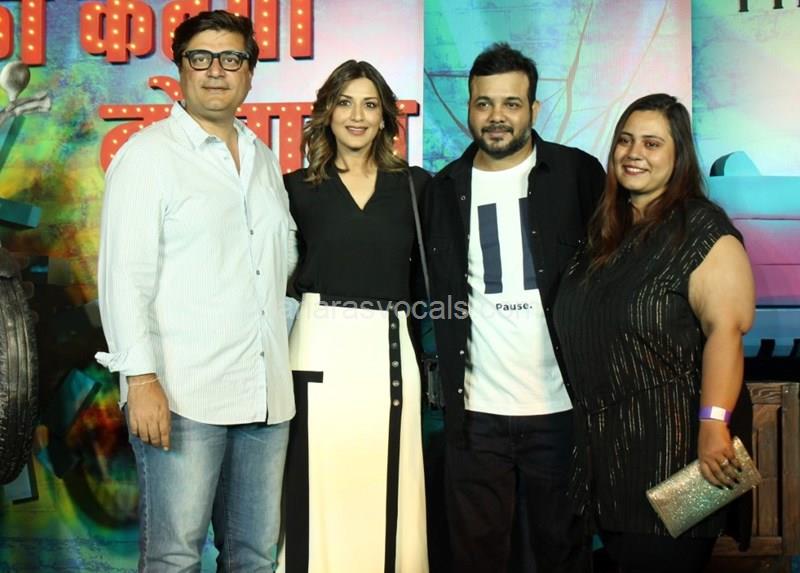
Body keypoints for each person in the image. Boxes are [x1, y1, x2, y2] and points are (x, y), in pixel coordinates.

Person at [95, 10, 297, 571]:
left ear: (250, 73)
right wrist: (140, 380)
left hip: (265, 397)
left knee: (254, 556)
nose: (215, 71)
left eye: (231, 58)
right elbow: (123, 277)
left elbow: (279, 265)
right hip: (183, 395)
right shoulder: (148, 156)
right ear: (181, 70)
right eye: (200, 58)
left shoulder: (262, 159)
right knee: (174, 557)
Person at [553, 93, 756, 572]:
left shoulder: (703, 228)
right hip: (609, 457)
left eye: (651, 143)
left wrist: (714, 425)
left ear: (678, 155)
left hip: (681, 449)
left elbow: (726, 331)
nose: (633, 153)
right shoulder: (606, 233)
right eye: (625, 141)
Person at [422, 42, 605, 573]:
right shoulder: (441, 190)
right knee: (476, 557)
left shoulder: (577, 174)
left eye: (511, 103)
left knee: (563, 554)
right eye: (484, 103)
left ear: (534, 109)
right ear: (468, 107)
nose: (496, 116)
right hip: (475, 415)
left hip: (562, 410)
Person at [277, 60, 429, 573]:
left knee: (388, 492)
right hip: (316, 353)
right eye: (345, 103)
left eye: (369, 104)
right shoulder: (293, 189)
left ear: (386, 116)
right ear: (327, 112)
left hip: (390, 352)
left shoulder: (416, 187)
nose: (357, 116)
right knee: (317, 490)